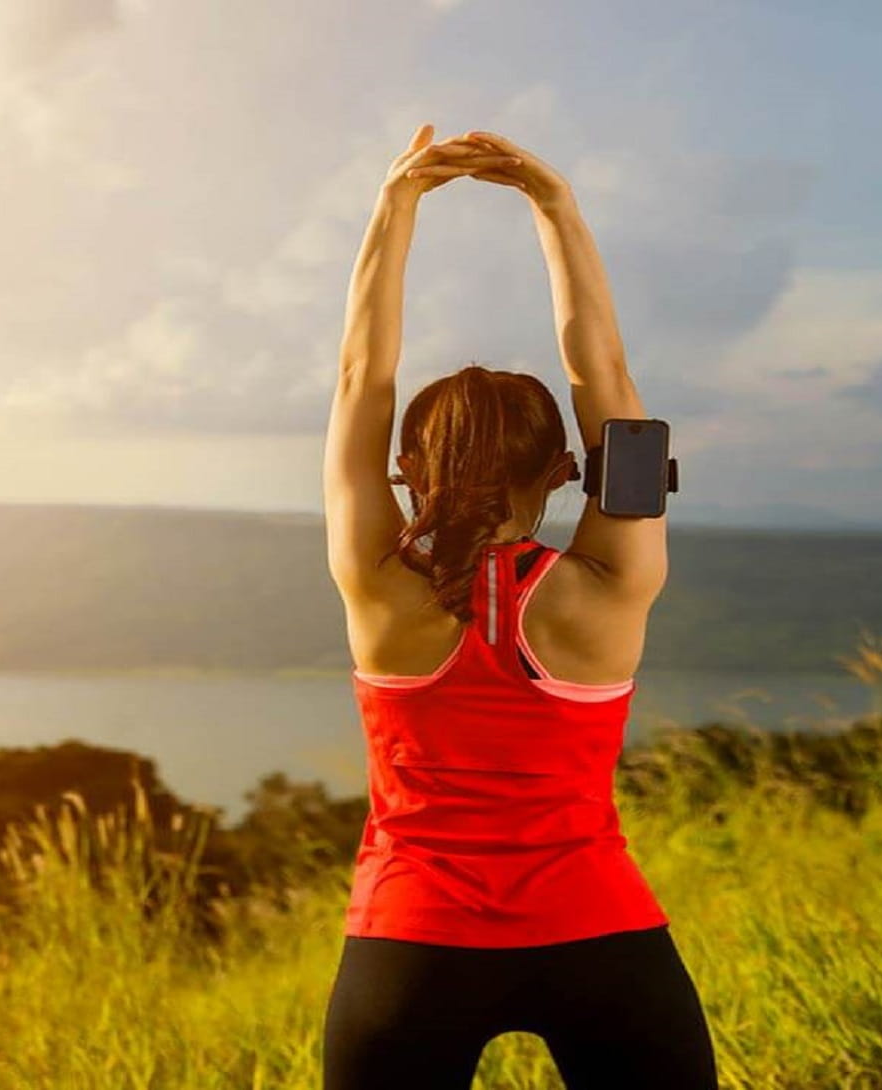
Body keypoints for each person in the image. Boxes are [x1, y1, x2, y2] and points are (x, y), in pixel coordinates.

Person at [318, 124, 719, 1089]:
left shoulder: (378, 582)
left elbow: (360, 380)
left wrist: (397, 202)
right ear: (567, 470)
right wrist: (555, 206)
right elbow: (605, 381)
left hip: (408, 948)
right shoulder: (612, 584)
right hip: (602, 937)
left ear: (403, 472)